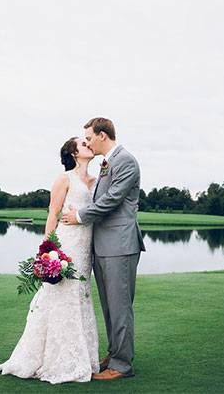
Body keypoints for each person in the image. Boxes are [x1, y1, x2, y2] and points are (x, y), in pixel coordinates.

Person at [0, 137, 100, 384]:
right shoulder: (65, 179)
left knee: (80, 294)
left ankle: (80, 357)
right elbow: (53, 212)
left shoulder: (97, 181)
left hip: (86, 248)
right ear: (73, 153)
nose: (88, 145)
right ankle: (53, 358)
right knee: (60, 296)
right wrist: (49, 249)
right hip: (67, 242)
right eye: (82, 144)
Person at [60, 117, 146, 381]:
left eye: (89, 137)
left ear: (102, 135)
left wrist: (81, 216)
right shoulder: (108, 163)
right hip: (104, 245)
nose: (86, 141)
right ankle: (114, 353)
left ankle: (122, 365)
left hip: (120, 244)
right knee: (109, 306)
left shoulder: (125, 160)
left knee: (120, 306)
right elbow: (111, 198)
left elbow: (111, 200)